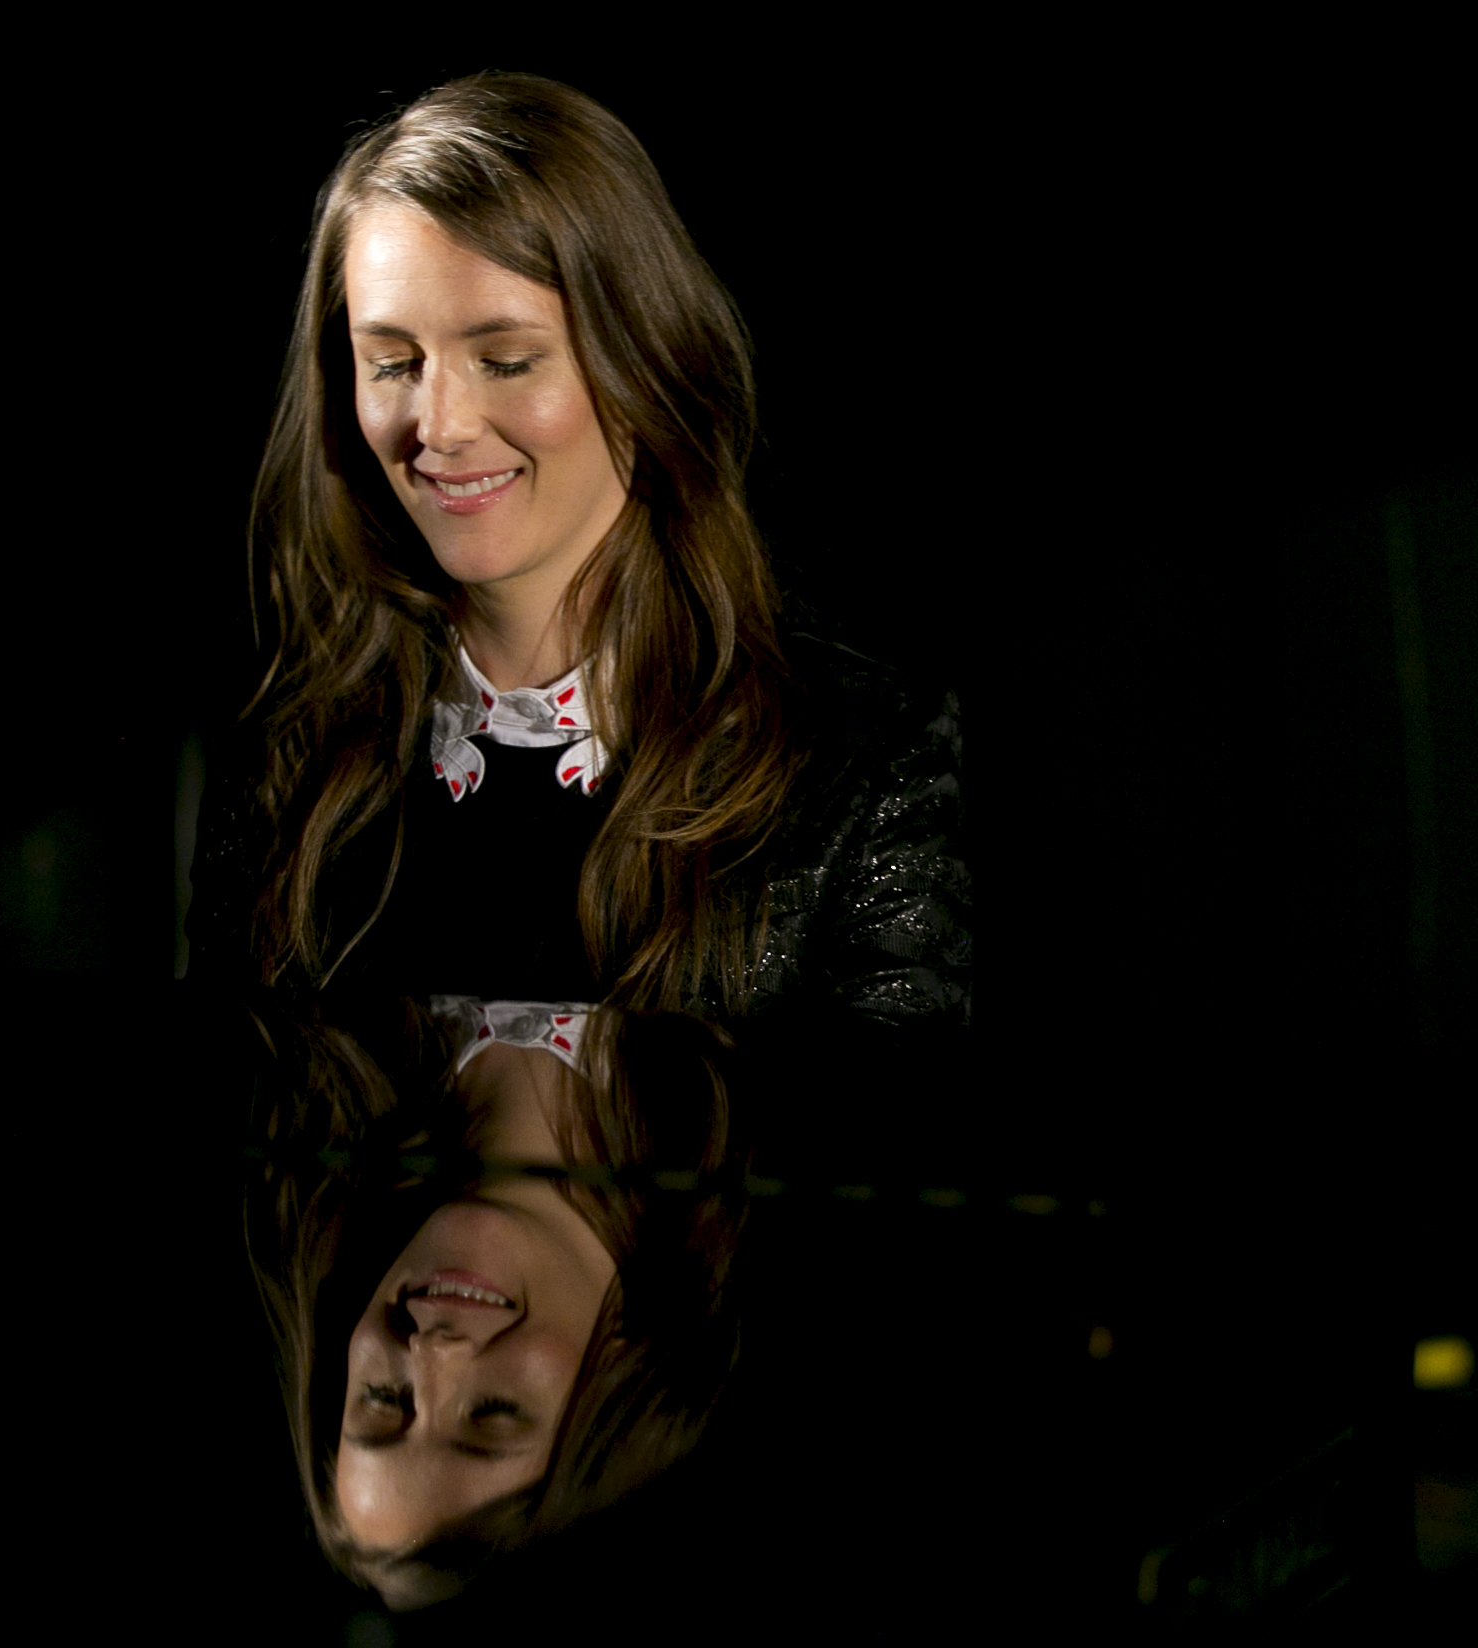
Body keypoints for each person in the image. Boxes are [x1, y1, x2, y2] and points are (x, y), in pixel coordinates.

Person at [184, 69, 969, 1173]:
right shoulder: (288, 751)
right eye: (393, 363)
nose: (438, 427)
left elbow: (893, 1210)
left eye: (506, 360)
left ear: (645, 357)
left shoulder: (862, 759)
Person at [242, 1001, 752, 1614]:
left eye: (385, 1398)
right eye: (493, 1412)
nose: (432, 1352)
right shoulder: (769, 1055)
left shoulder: (315, 1016)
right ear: (625, 1396)